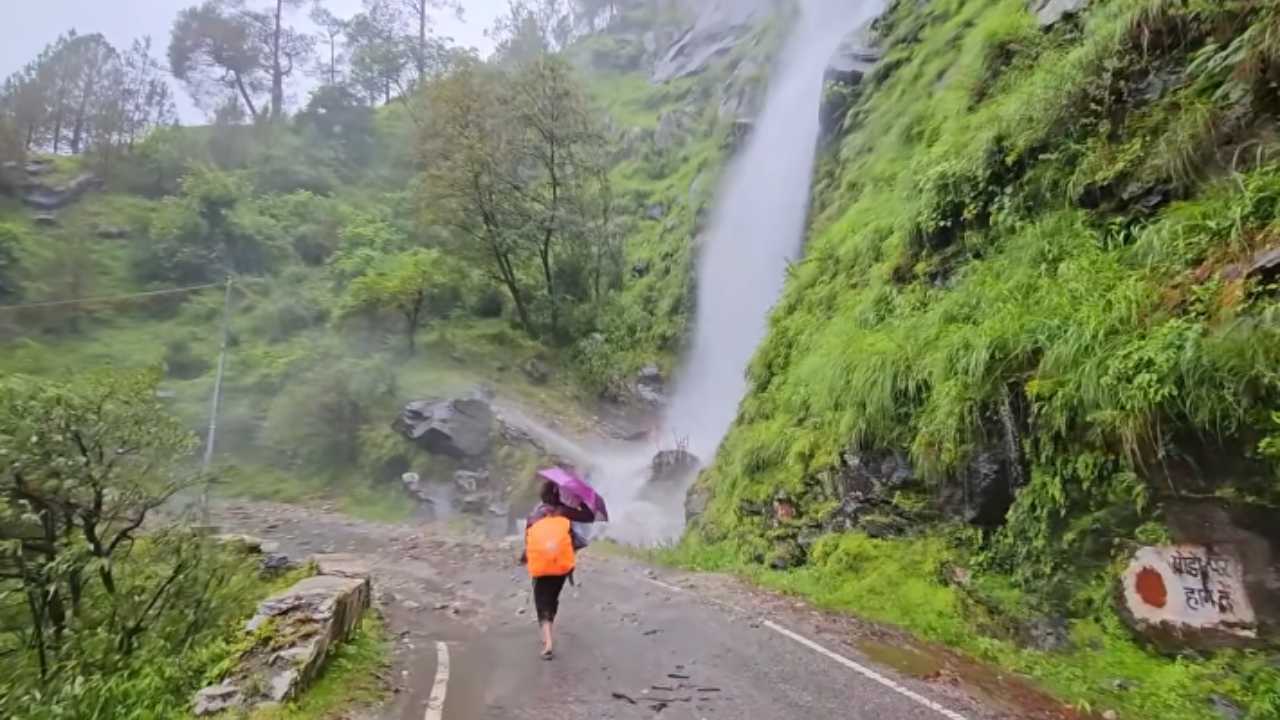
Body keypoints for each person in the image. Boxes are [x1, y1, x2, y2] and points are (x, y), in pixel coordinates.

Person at [520, 481, 593, 659]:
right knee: (552, 598)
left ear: (541, 496)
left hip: (541, 563)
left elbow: (528, 540)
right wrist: (579, 501)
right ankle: (548, 632)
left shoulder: (535, 515)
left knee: (541, 601)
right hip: (560, 563)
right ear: (558, 495)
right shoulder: (563, 511)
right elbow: (589, 516)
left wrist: (524, 557)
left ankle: (548, 641)